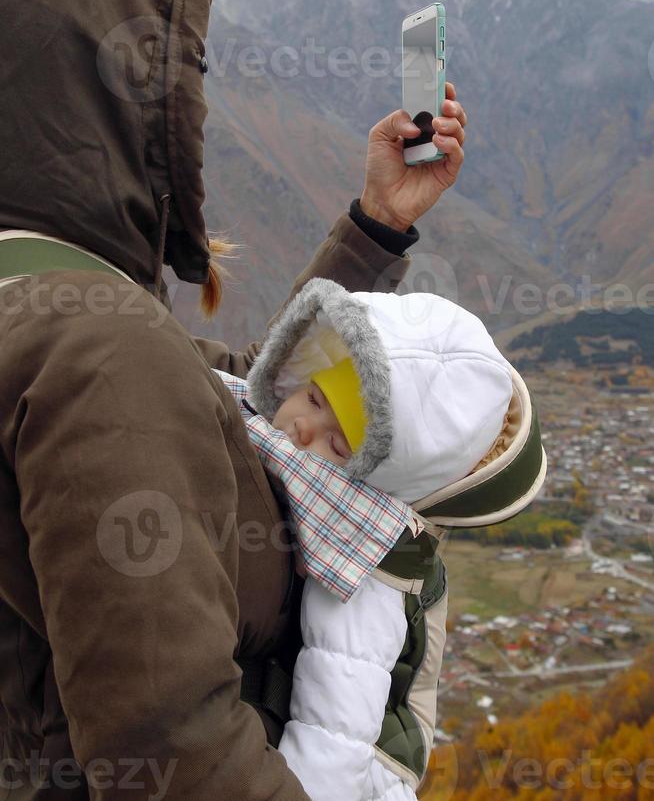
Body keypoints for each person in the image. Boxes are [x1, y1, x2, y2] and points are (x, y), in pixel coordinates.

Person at [0, 0, 469, 801]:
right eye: (184, 67)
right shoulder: (99, 351)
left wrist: (375, 227)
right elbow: (182, 754)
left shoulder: (49, 312)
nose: (197, 109)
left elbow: (243, 405)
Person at [214, 279, 547, 800]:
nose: (303, 429)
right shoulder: (268, 441)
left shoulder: (363, 566)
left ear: (376, 478)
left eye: (339, 444)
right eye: (313, 397)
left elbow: (335, 733)